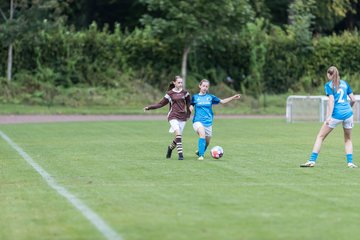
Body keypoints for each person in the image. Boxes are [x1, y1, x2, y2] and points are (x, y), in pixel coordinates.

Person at [300, 66, 357, 168]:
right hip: (348, 114)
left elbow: (331, 101)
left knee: (320, 136)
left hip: (336, 115)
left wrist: (329, 116)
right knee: (348, 139)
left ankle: (312, 161)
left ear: (329, 74)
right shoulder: (345, 83)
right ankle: (350, 163)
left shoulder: (329, 85)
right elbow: (353, 99)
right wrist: (349, 108)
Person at [190, 79, 241, 160]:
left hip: (208, 123)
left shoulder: (210, 97)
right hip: (197, 121)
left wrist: (233, 97)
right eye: (203, 86)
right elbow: (191, 107)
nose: (205, 88)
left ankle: (200, 151)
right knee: (202, 134)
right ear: (200, 86)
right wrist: (188, 111)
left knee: (207, 142)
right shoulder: (195, 97)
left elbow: (223, 101)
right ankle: (201, 156)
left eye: (206, 86)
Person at [144, 76, 191, 160]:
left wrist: (188, 114)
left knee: (177, 138)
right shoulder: (170, 93)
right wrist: (149, 107)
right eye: (179, 82)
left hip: (182, 116)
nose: (180, 84)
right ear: (174, 82)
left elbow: (188, 103)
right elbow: (160, 104)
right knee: (178, 133)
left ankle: (170, 148)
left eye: (181, 82)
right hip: (173, 116)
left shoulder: (185, 93)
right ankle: (181, 155)